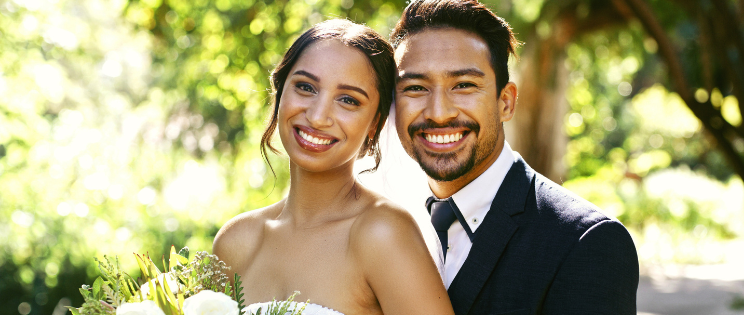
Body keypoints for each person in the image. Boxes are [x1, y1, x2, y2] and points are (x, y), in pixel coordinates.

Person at [389, 0, 640, 314]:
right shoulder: (381, 223)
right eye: (415, 88)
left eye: (464, 85)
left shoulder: (587, 243)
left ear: (505, 102)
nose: (439, 113)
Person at [213, 19, 454, 315]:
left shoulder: (382, 234)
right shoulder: (235, 242)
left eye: (348, 100)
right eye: (305, 87)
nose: (317, 116)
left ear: (374, 124)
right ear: (280, 93)